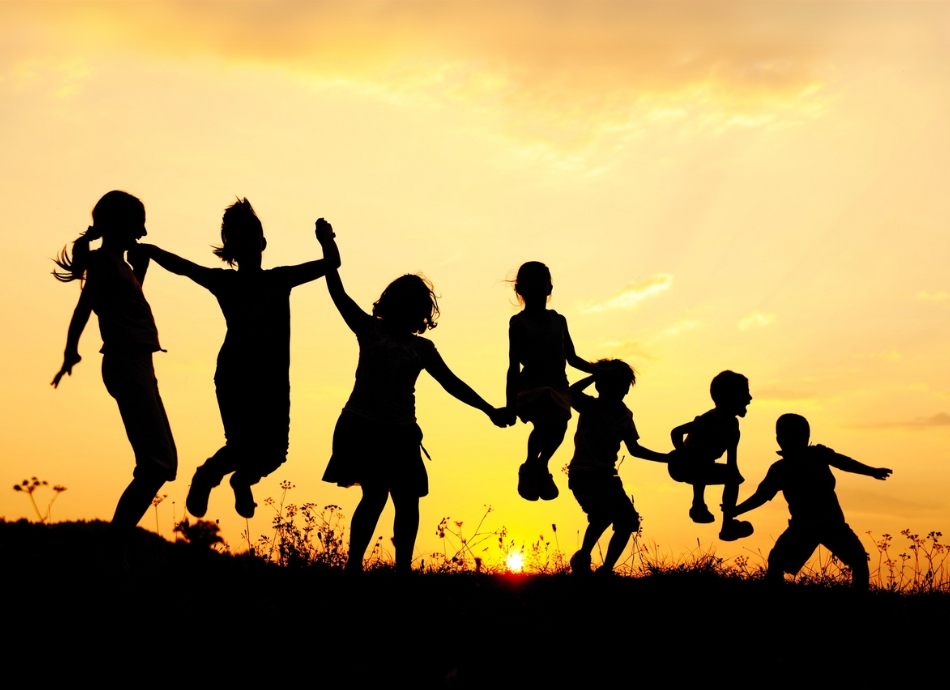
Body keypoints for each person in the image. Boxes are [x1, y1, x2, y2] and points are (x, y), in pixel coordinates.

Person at [137, 200, 340, 518]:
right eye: (238, 240)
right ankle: (208, 475)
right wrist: (151, 250)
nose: (246, 245)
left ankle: (241, 481)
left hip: (272, 380)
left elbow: (331, 263)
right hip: (235, 375)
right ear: (229, 249)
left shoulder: (279, 279)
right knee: (241, 445)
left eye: (251, 238)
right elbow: (184, 267)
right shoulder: (225, 282)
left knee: (274, 454)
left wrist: (325, 237)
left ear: (262, 244)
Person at [323, 265, 509, 573]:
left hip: (402, 434)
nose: (407, 308)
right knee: (375, 496)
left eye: (415, 304)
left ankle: (403, 570)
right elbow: (338, 294)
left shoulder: (422, 348)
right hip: (362, 426)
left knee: (408, 501)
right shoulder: (369, 328)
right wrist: (328, 250)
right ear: (390, 302)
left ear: (422, 313)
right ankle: (353, 565)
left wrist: (489, 409)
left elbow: (452, 383)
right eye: (402, 300)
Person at [51, 190, 177, 556]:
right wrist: (71, 349)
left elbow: (122, 304)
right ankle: (112, 551)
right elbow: (86, 305)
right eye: (138, 222)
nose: (143, 231)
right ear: (120, 224)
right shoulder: (105, 262)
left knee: (162, 461)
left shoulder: (117, 266)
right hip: (126, 364)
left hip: (137, 364)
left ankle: (113, 549)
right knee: (158, 463)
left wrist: (142, 271)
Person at [726, 413, 891, 590]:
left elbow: (844, 462)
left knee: (858, 559)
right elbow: (761, 496)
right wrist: (736, 510)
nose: (783, 437)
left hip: (829, 523)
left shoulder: (818, 454)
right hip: (803, 526)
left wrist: (871, 471)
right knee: (777, 560)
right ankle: (773, 601)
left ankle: (861, 603)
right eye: (780, 433)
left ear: (804, 436)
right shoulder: (780, 469)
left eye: (790, 432)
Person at [506, 261, 602, 502]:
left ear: (549, 288)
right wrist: (510, 405)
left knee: (559, 426)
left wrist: (597, 371)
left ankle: (540, 466)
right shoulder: (518, 324)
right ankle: (530, 466)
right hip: (531, 388)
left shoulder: (559, 321)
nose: (539, 290)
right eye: (532, 284)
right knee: (546, 422)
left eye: (543, 284)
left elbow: (572, 358)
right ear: (520, 290)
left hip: (559, 386)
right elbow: (513, 367)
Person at [566, 360, 670, 575]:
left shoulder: (625, 415)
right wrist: (597, 373)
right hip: (583, 475)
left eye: (623, 385)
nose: (620, 390)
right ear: (601, 385)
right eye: (614, 384)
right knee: (602, 515)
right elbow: (571, 391)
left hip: (607, 476)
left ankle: (606, 569)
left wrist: (668, 458)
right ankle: (583, 557)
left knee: (628, 521)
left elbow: (635, 449)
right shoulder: (590, 405)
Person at [668, 370, 754, 541]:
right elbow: (676, 432)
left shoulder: (733, 425)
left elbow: (732, 461)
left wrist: (734, 477)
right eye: (744, 394)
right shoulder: (709, 420)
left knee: (733, 476)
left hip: (703, 466)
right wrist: (682, 453)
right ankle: (698, 504)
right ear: (730, 397)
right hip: (683, 466)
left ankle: (727, 524)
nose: (749, 398)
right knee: (702, 460)